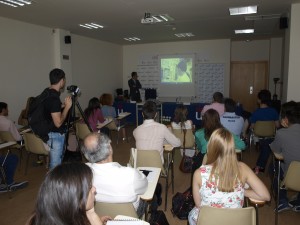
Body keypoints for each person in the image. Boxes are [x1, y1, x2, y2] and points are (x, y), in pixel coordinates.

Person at [188, 128, 270, 225]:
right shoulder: (243, 168)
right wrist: (241, 191)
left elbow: (199, 205)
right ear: (232, 148)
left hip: (208, 221)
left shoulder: (199, 173)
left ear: (210, 147)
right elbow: (265, 196)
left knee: (192, 214)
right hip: (235, 221)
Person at [81, 132, 148, 218]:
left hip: (99, 216)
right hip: (130, 217)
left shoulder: (81, 174)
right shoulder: (130, 174)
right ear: (110, 148)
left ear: (86, 155)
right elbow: (144, 187)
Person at [27, 162, 111, 225]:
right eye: (89, 187)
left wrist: (91, 213)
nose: (94, 189)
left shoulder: (40, 218)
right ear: (73, 198)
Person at [270, 101, 300, 212]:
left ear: (286, 119)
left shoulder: (282, 133)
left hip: (291, 178)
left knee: (273, 167)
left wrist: (282, 129)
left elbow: (275, 150)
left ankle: (282, 201)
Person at [44, 68, 72, 169]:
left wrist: (62, 106)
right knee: (55, 165)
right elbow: (58, 123)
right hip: (55, 135)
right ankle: (53, 184)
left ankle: (54, 182)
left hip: (48, 132)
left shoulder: (46, 93)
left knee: (54, 164)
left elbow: (49, 109)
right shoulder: (54, 98)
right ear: (61, 81)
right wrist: (67, 108)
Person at [251, 89, 280, 174]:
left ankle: (259, 166)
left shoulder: (256, 112)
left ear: (260, 100)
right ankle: (260, 166)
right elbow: (277, 125)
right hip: (270, 135)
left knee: (265, 147)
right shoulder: (274, 111)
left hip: (258, 136)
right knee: (266, 147)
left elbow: (252, 126)